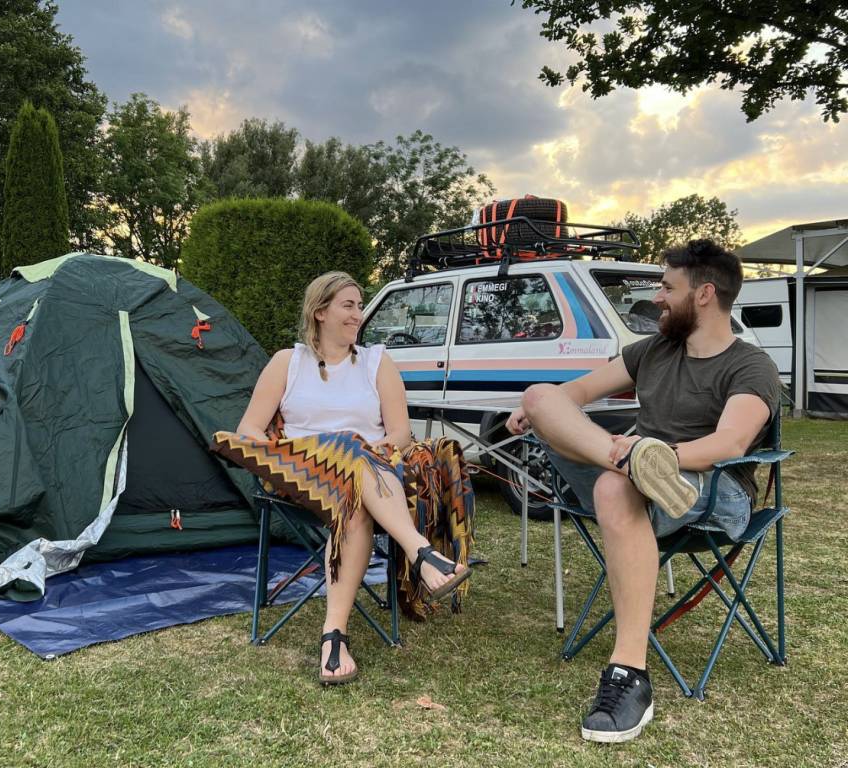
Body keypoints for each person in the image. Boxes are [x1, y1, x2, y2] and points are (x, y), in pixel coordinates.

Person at [507, 239, 779, 743]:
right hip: (634, 473)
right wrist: (546, 413)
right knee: (541, 395)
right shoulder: (653, 350)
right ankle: (634, 464)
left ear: (703, 294)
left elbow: (731, 442)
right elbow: (577, 392)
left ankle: (629, 671)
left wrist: (661, 457)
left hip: (712, 490)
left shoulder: (750, 365)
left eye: (667, 287)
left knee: (615, 488)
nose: (656, 297)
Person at [213, 271, 473, 686]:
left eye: (359, 305)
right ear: (320, 312)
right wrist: (306, 453)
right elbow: (249, 431)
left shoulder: (376, 362)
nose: (359, 314)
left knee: (354, 497)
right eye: (348, 305)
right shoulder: (288, 362)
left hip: (368, 479)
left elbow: (400, 433)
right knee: (348, 447)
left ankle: (333, 637)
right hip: (303, 476)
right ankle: (420, 552)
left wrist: (368, 453)